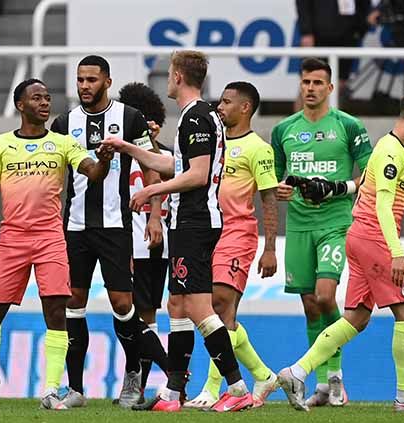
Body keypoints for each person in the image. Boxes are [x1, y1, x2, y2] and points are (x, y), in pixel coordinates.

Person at [102, 50, 253, 413]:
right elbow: (176, 164)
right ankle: (172, 393)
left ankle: (236, 387)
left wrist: (151, 190)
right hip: (188, 221)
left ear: (180, 77)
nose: (167, 80)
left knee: (199, 307)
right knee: (178, 304)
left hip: (195, 221)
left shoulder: (197, 118)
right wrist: (129, 148)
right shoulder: (198, 116)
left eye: (170, 74)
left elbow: (198, 175)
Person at [0, 78, 113, 410]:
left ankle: (50, 389)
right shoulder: (1, 145)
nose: (45, 103)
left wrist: (102, 160)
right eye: (37, 98)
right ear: (20, 105)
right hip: (13, 239)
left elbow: (93, 172)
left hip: (50, 239)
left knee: (57, 312)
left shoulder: (62, 143)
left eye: (48, 97)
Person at [277, 90, 404, 412]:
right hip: (375, 239)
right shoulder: (392, 152)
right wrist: (397, 252)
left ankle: (297, 372)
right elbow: (384, 205)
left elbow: (383, 190)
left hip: (358, 236)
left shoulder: (391, 147)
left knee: (357, 317)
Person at [50, 56, 164, 409]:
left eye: (91, 80)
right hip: (76, 227)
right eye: (80, 80)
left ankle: (133, 377)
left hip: (116, 226)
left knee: (122, 304)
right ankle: (75, 389)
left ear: (107, 82)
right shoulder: (64, 122)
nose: (84, 86)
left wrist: (154, 215)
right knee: (73, 303)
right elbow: (52, 173)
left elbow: (151, 167)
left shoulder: (129, 118)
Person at [272, 57, 374, 407]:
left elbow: (369, 174)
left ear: (330, 88)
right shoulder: (283, 129)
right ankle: (320, 385)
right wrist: (282, 190)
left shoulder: (348, 125)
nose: (311, 88)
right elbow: (278, 179)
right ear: (300, 86)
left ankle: (335, 377)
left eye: (318, 83)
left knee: (326, 296)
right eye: (306, 82)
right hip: (299, 225)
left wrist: (338, 188)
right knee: (310, 306)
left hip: (335, 223)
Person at [184, 81, 280, 410]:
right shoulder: (214, 143)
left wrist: (270, 248)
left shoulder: (258, 148)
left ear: (245, 108)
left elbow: (268, 198)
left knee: (219, 303)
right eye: (219, 101)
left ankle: (213, 389)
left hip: (238, 233)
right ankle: (263, 375)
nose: (219, 107)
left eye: (226, 102)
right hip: (207, 230)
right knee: (218, 313)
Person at [117, 82, 171, 398]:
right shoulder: (117, 155)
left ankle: (140, 381)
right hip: (122, 241)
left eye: (153, 119)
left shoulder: (168, 156)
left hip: (154, 245)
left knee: (145, 314)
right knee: (127, 314)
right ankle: (136, 377)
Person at [296, 0, 371, 99]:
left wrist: (360, 29)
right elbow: (303, 4)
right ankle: (301, 114)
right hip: (318, 36)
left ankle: (330, 114)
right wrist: (306, 32)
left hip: (347, 36)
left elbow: (364, 6)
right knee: (309, 83)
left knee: (340, 83)